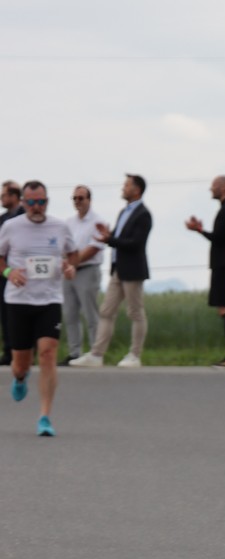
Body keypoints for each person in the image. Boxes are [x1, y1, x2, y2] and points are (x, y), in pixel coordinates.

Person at [0, 180, 78, 436]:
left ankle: (45, 417)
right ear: (23, 202)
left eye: (41, 202)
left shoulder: (60, 226)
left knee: (47, 354)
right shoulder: (11, 226)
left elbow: (73, 253)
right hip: (18, 301)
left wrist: (70, 267)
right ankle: (20, 378)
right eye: (31, 202)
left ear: (47, 202)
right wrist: (9, 272)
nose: (36, 207)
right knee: (21, 364)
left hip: (49, 300)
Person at [70, 174, 152, 369]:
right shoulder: (124, 211)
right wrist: (107, 235)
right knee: (106, 311)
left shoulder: (143, 214)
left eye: (126, 185)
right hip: (118, 269)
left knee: (135, 312)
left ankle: (135, 355)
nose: (123, 188)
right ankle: (96, 355)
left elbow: (135, 243)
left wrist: (109, 239)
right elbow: (117, 237)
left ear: (136, 190)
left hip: (133, 270)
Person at [185, 174, 225, 368]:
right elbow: (220, 237)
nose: (211, 189)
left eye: (214, 186)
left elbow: (218, 238)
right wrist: (200, 229)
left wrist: (199, 230)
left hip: (224, 266)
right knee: (224, 309)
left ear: (223, 188)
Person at [61, 185, 105, 364]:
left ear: (89, 200)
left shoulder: (98, 222)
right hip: (69, 273)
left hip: (87, 270)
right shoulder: (68, 223)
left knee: (90, 314)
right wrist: (66, 264)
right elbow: (63, 246)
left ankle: (96, 353)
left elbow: (93, 249)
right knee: (70, 314)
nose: (77, 201)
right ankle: (75, 353)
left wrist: (72, 262)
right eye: (75, 198)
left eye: (81, 198)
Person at [0, 181, 25, 365]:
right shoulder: (2, 219)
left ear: (14, 196)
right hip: (5, 272)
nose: (1, 198)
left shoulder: (25, 215)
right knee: (5, 313)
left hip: (23, 271)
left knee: (23, 312)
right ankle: (8, 351)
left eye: (4, 195)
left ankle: (26, 352)